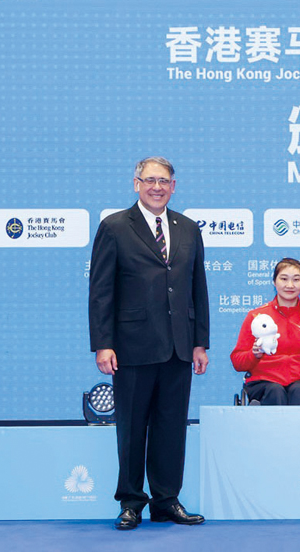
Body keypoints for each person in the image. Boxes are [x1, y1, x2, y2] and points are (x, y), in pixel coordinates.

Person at [89, 156, 209, 530]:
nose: (157, 187)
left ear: (174, 186)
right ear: (136, 183)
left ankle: (166, 501)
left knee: (171, 427)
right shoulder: (114, 227)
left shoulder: (188, 228)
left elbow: (198, 288)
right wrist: (103, 343)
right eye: (150, 180)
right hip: (132, 346)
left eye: (164, 181)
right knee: (131, 427)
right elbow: (101, 291)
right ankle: (130, 502)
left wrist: (200, 342)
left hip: (179, 345)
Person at [230, 258, 300, 404]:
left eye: (296, 279)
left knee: (299, 390)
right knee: (275, 391)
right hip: (264, 381)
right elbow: (237, 362)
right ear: (274, 282)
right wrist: (254, 354)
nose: (290, 285)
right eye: (284, 279)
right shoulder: (256, 316)